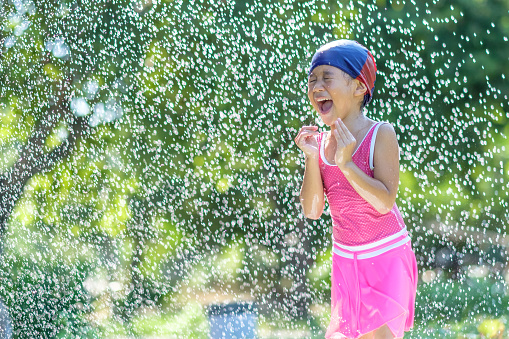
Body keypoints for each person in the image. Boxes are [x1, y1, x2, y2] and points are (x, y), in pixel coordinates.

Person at [294, 40, 418, 339]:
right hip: (346, 260)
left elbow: (385, 202)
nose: (316, 86)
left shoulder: (380, 133)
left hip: (386, 254)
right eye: (312, 80)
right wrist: (312, 158)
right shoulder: (321, 145)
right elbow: (312, 211)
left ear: (359, 88)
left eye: (327, 77)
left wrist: (347, 165)